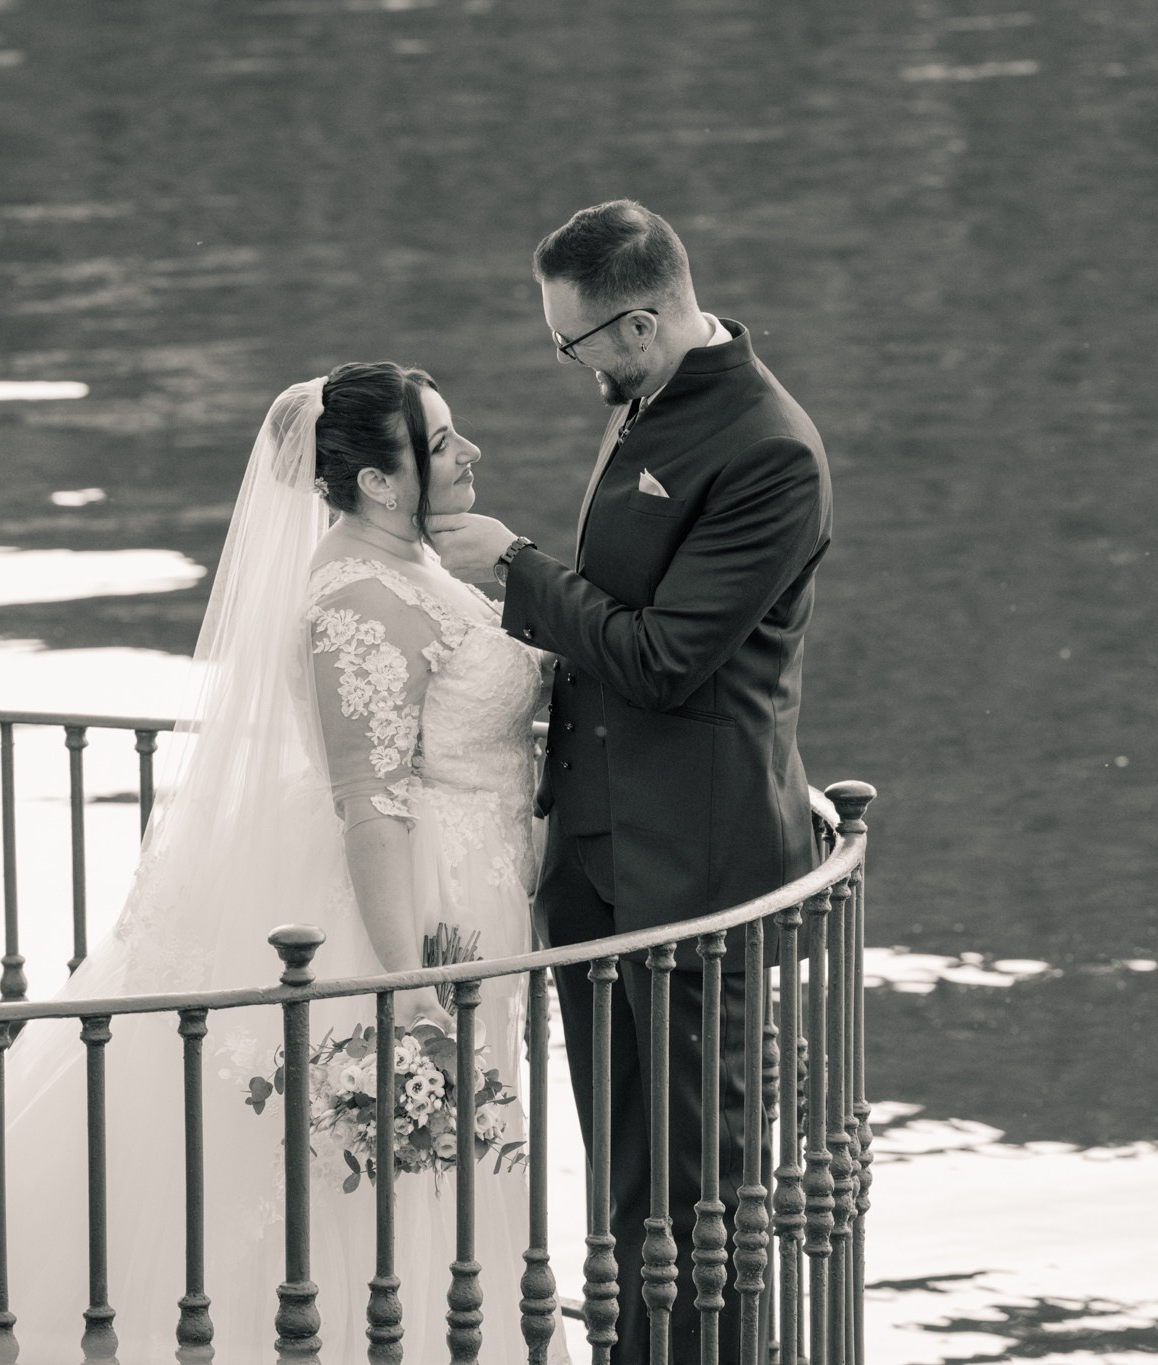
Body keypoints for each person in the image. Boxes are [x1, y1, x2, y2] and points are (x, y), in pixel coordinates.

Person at [0, 366, 569, 1365]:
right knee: (380, 1170)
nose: (469, 452)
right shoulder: (357, 601)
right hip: (408, 917)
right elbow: (370, 805)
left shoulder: (416, 561)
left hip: (469, 894)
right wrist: (407, 985)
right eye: (443, 440)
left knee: (442, 1163)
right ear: (381, 482)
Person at [430, 199, 833, 1365]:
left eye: (576, 345)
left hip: (693, 866)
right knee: (623, 1175)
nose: (575, 368)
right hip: (598, 855)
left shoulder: (768, 451)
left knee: (699, 1185)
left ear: (641, 324)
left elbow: (664, 660)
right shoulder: (645, 398)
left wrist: (515, 566)